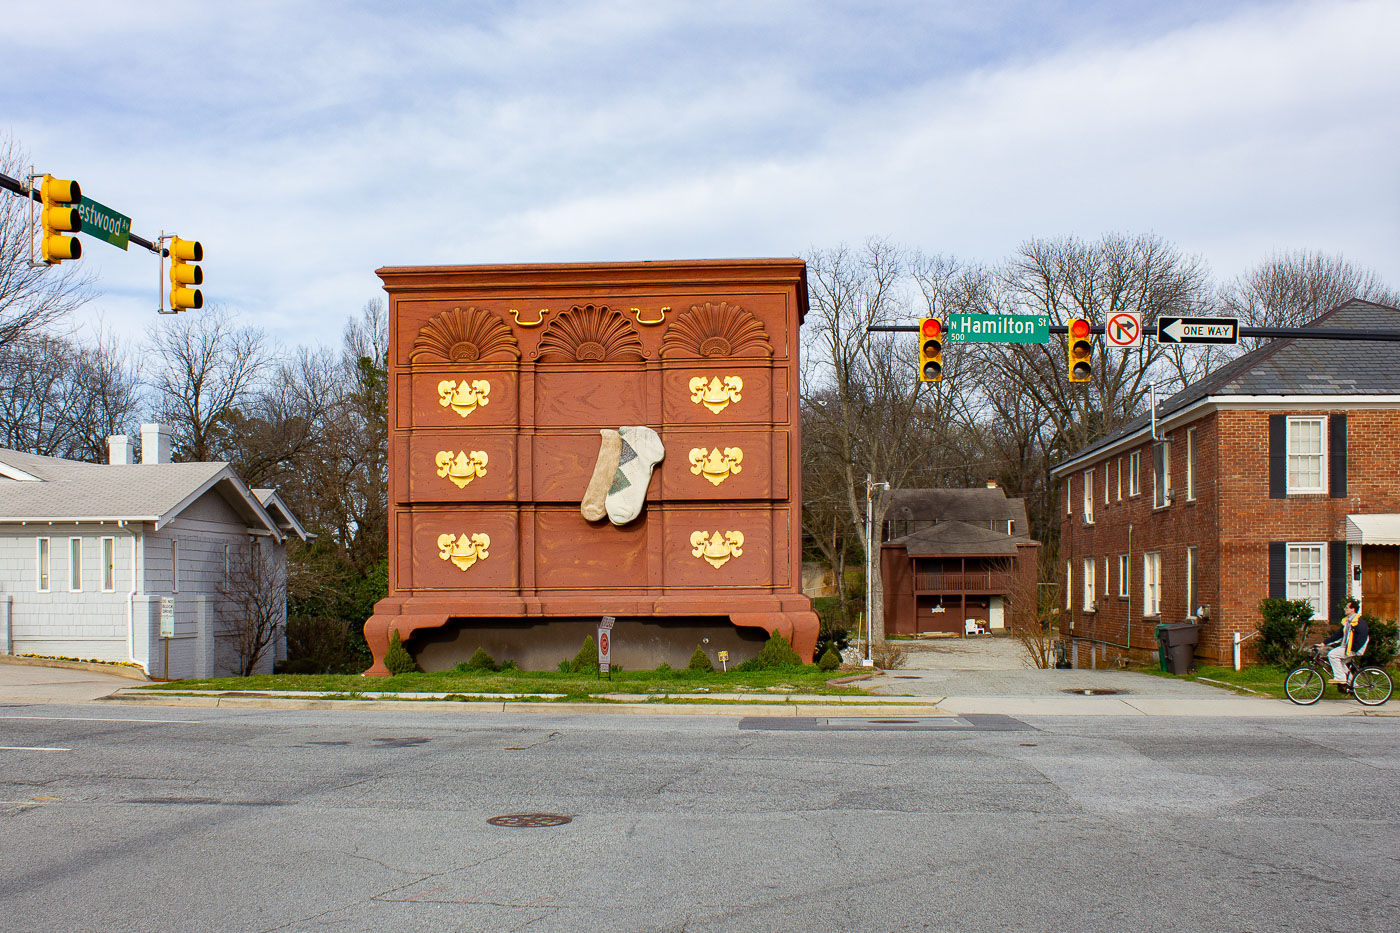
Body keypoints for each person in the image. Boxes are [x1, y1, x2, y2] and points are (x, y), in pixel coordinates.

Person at [1324, 598, 1369, 685]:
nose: (1345, 609)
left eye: (1346, 608)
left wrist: (1353, 649)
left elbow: (1362, 637)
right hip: (1347, 647)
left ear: (1353, 609)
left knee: (1332, 654)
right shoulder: (1348, 621)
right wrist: (1324, 642)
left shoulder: (1359, 622)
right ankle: (1353, 686)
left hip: (1353, 648)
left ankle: (1340, 678)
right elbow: (1338, 634)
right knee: (1341, 663)